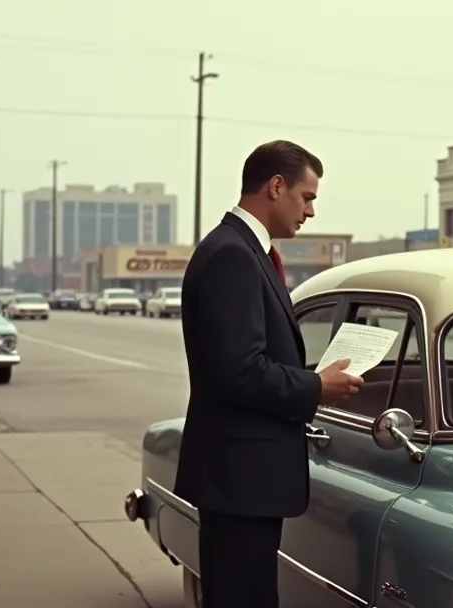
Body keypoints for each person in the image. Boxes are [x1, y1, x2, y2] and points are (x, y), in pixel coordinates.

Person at [174, 140, 364, 608]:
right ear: (276, 187)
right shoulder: (232, 255)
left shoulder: (244, 251)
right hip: (240, 478)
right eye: (308, 196)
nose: (311, 211)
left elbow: (247, 359)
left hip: (244, 477)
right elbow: (238, 372)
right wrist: (318, 386)